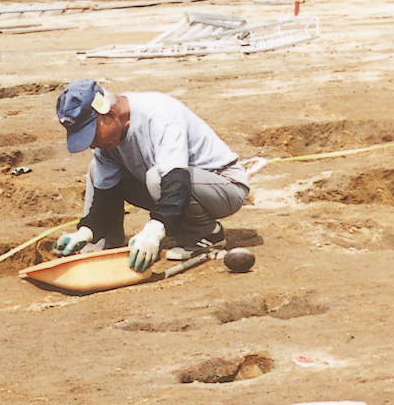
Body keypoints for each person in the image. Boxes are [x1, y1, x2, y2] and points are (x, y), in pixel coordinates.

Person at [52, 80, 251, 271]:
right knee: (97, 169)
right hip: (175, 185)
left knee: (156, 178)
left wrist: (153, 232)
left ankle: (206, 234)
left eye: (92, 135)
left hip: (224, 186)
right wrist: (86, 231)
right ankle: (105, 246)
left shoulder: (159, 113)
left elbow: (175, 181)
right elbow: (106, 197)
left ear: (110, 115)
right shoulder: (106, 142)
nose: (92, 144)